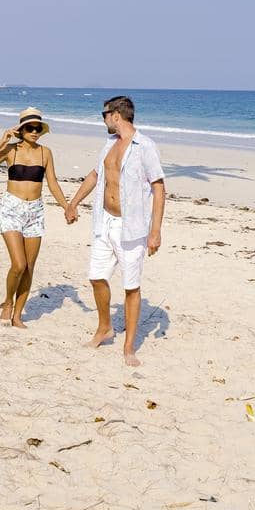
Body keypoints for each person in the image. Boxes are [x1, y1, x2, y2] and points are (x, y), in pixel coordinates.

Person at [67, 95, 165, 367]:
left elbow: (159, 187)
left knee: (131, 287)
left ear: (116, 115)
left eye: (104, 115)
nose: (103, 120)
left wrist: (155, 231)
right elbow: (96, 175)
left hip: (130, 229)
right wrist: (73, 203)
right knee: (96, 278)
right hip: (104, 222)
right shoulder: (109, 144)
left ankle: (129, 346)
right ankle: (105, 327)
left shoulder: (145, 146)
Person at [0, 106, 74, 328]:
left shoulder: (45, 153)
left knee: (29, 267)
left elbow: (52, 183)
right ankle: (7, 302)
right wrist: (2, 141)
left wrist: (66, 206)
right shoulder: (10, 151)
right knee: (18, 264)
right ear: (21, 129)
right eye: (29, 128)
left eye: (37, 128)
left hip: (35, 211)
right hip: (12, 207)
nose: (34, 131)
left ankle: (18, 314)